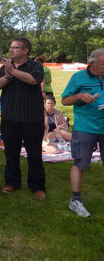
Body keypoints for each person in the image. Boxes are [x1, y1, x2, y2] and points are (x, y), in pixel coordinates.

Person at [0, 37, 46, 199]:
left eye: (15, 47)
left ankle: (37, 186)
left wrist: (13, 71)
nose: (11, 50)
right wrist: (8, 76)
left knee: (34, 154)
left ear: (25, 50)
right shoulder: (5, 68)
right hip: (9, 119)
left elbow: (32, 80)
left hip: (31, 119)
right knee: (11, 153)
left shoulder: (35, 66)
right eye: (10, 47)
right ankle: (12, 182)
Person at [61, 48, 104, 218]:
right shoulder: (78, 78)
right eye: (103, 64)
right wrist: (79, 96)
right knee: (80, 163)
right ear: (92, 63)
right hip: (85, 127)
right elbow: (64, 100)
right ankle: (76, 200)